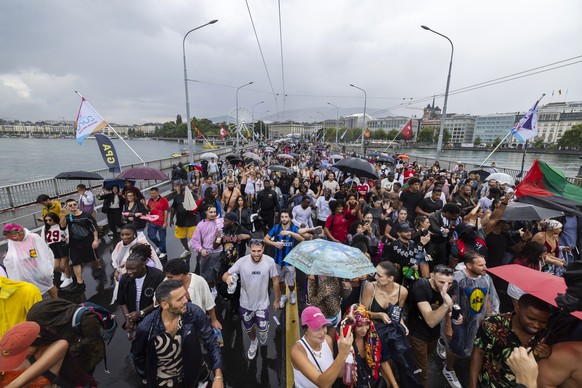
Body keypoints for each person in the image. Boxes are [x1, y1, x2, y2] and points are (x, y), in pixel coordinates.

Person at [131, 280, 224, 388]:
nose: (186, 300)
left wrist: (218, 375)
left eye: (184, 296)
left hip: (196, 377)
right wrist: (148, 378)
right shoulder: (146, 327)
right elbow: (137, 356)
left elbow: (211, 342)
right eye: (180, 299)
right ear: (165, 304)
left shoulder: (193, 313)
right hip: (164, 383)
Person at [442, 251, 499, 388]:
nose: (485, 267)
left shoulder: (486, 278)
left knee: (475, 345)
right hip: (459, 322)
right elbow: (448, 304)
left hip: (477, 320)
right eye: (480, 265)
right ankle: (448, 368)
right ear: (468, 265)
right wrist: (449, 325)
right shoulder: (457, 279)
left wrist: (489, 318)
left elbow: (489, 299)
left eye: (485, 264)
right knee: (455, 346)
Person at [469, 294, 552, 388]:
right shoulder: (493, 324)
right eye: (531, 319)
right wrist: (472, 385)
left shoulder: (546, 336)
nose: (537, 325)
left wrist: (546, 355)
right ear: (517, 309)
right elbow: (478, 354)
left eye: (542, 322)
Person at [361, 261, 418, 387]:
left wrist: (402, 323)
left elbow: (397, 312)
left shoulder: (402, 292)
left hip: (391, 331)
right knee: (383, 360)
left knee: (399, 357)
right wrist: (379, 315)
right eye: (375, 274)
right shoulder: (370, 287)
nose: (375, 277)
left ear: (391, 278)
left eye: (379, 276)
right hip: (373, 330)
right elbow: (363, 313)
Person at [222, 240, 280, 360]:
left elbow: (275, 280)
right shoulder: (242, 262)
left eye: (259, 251)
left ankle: (263, 331)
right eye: (253, 251)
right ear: (249, 249)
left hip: (262, 304)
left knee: (263, 329)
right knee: (248, 328)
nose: (256, 254)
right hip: (245, 303)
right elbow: (225, 275)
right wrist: (228, 279)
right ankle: (254, 342)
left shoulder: (270, 261)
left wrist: (277, 300)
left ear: (263, 249)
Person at [407, 265, 455, 388]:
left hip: (434, 334)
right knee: (423, 373)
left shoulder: (450, 286)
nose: (445, 286)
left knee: (423, 361)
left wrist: (451, 320)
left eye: (449, 283)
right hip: (418, 333)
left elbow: (450, 308)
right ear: (432, 276)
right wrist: (446, 304)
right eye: (441, 282)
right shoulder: (421, 286)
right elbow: (430, 320)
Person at [290, 306, 353, 388]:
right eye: (316, 328)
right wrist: (341, 355)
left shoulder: (327, 340)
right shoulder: (297, 351)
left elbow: (331, 373)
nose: (322, 332)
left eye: (323, 326)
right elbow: (322, 383)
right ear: (305, 329)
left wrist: (348, 370)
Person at [0, 322, 68, 388]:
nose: (20, 356)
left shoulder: (59, 345)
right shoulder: (14, 350)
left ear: (37, 340)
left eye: (22, 351)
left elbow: (19, 382)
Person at [164, 259, 222, 331]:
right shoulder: (167, 282)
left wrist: (214, 320)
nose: (168, 279)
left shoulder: (199, 281)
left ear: (181, 275)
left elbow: (208, 303)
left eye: (170, 277)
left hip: (197, 322)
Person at [117, 254, 165, 340]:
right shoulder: (124, 279)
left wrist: (142, 312)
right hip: (135, 320)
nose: (129, 272)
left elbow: (162, 299)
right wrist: (128, 319)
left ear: (143, 265)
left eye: (133, 269)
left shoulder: (158, 276)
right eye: (127, 269)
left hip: (154, 318)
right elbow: (122, 301)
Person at [3, 224, 57, 299]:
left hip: (38, 268)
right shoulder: (12, 241)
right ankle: (40, 307)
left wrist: (46, 270)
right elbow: (13, 252)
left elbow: (43, 253)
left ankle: (56, 302)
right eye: (9, 238)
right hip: (24, 271)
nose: (13, 240)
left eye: (13, 237)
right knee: (32, 292)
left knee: (49, 287)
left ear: (19, 232)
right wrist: (8, 255)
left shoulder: (33, 237)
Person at [264, 210, 305, 308]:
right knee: (280, 281)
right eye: (282, 217)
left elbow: (302, 239)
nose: (284, 219)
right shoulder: (276, 228)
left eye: (286, 217)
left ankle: (291, 293)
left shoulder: (294, 228)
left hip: (290, 261)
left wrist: (290, 232)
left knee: (291, 282)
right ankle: (283, 296)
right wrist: (275, 243)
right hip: (278, 261)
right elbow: (265, 239)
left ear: (290, 218)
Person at [59, 198, 99, 293]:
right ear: (67, 207)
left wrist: (96, 240)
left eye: (74, 204)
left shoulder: (86, 216)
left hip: (88, 242)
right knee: (76, 262)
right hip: (74, 244)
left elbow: (94, 228)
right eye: (70, 205)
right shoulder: (68, 217)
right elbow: (62, 226)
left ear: (77, 204)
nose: (73, 206)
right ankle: (80, 283)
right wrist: (63, 215)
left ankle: (97, 268)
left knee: (94, 258)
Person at [341, 304, 382, 388]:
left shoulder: (373, 338)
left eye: (367, 324)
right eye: (359, 325)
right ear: (351, 325)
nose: (364, 330)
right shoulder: (344, 343)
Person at [190, 205, 223, 299]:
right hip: (206, 254)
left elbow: (222, 231)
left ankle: (221, 290)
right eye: (211, 212)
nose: (213, 214)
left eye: (214, 212)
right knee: (208, 275)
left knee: (220, 275)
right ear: (206, 213)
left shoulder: (219, 221)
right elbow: (195, 241)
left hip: (219, 253)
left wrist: (217, 220)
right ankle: (213, 290)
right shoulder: (200, 225)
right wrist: (201, 250)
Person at [307, 274, 352, 338]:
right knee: (321, 343)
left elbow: (343, 295)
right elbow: (312, 301)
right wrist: (321, 294)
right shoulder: (314, 277)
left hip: (335, 315)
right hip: (321, 317)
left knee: (330, 342)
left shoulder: (337, 275)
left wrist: (347, 289)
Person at [41, 212, 73, 289]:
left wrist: (66, 238)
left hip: (62, 245)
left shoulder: (60, 225)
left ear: (54, 219)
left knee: (64, 264)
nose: (48, 222)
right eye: (46, 220)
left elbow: (68, 233)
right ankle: (65, 273)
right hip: (52, 247)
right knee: (56, 267)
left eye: (50, 220)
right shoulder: (45, 228)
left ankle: (69, 278)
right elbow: (42, 238)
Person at [170, 183, 199, 259]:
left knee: (195, 238)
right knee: (182, 237)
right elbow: (173, 208)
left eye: (186, 190)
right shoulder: (177, 197)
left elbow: (197, 206)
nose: (184, 192)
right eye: (183, 190)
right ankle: (187, 249)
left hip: (191, 221)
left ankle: (199, 251)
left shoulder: (193, 196)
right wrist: (171, 219)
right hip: (180, 221)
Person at [146, 187, 169, 261]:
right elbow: (148, 209)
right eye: (150, 193)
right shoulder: (150, 200)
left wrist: (165, 222)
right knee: (151, 236)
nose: (151, 195)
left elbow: (166, 212)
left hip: (161, 222)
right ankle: (159, 245)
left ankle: (163, 251)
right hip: (152, 222)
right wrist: (144, 204)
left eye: (153, 193)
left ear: (157, 193)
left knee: (162, 238)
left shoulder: (163, 200)